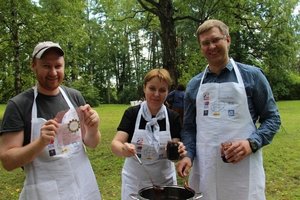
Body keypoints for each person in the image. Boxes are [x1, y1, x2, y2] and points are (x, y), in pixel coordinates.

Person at [176, 19, 281, 200]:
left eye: (216, 40)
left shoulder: (252, 76)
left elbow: (272, 118)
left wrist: (251, 143)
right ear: (201, 48)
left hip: (243, 171)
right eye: (205, 43)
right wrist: (188, 156)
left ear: (228, 40)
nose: (211, 46)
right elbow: (189, 128)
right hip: (206, 170)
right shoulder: (194, 85)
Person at [0, 41, 102, 200]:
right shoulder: (19, 105)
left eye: (58, 66)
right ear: (33, 65)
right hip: (45, 193)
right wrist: (40, 142)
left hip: (83, 188)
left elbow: (91, 142)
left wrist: (94, 128)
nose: (53, 72)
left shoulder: (74, 96)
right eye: (46, 66)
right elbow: (7, 161)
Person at [111, 68, 186, 200]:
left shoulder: (172, 117)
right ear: (144, 88)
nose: (156, 94)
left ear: (168, 92)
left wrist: (179, 151)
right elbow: (115, 143)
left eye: (162, 90)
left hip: (165, 184)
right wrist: (123, 149)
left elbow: (175, 149)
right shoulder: (132, 114)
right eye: (152, 88)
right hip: (135, 183)